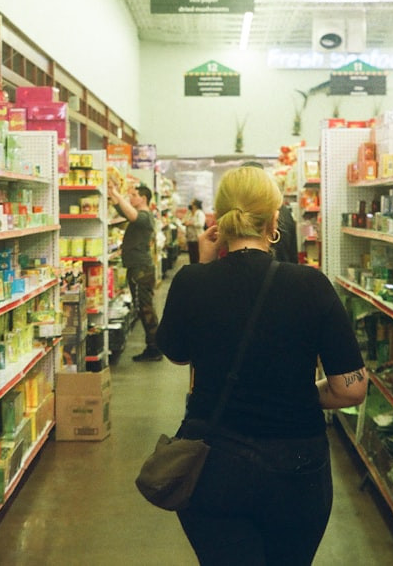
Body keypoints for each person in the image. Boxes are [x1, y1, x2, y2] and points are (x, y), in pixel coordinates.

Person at [156, 165, 367, 565]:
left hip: (213, 466)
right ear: (274, 220)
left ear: (218, 222)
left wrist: (200, 267)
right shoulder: (310, 284)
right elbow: (351, 388)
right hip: (297, 470)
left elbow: (177, 352)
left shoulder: (191, 282)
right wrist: (299, 394)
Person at [108, 179, 162, 362]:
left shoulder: (145, 216)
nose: (131, 198)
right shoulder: (141, 214)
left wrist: (116, 194)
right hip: (137, 267)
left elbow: (130, 215)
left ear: (143, 198)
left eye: (134, 195)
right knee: (143, 306)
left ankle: (154, 348)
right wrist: (112, 194)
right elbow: (123, 211)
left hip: (141, 269)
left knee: (145, 307)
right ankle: (153, 345)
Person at [184, 199, 206, 263]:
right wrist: (186, 222)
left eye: (192, 203)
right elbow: (184, 220)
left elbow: (201, 224)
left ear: (195, 205)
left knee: (197, 255)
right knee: (191, 255)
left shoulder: (200, 213)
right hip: (190, 238)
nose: (190, 205)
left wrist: (191, 223)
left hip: (197, 238)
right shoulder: (189, 213)